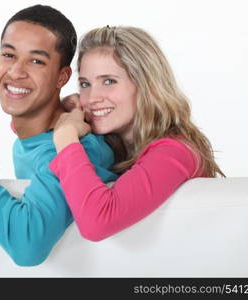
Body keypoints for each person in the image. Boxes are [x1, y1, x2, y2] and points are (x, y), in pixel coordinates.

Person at [0, 6, 117, 266]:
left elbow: (28, 245)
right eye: (8, 54)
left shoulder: (71, 150)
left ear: (62, 76)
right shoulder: (38, 131)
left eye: (36, 61)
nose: (15, 71)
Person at [50, 26, 225, 242]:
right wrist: (60, 111)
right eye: (85, 84)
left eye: (109, 81)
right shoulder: (108, 145)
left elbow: (96, 223)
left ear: (146, 85)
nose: (92, 97)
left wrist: (65, 138)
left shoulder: (176, 152)